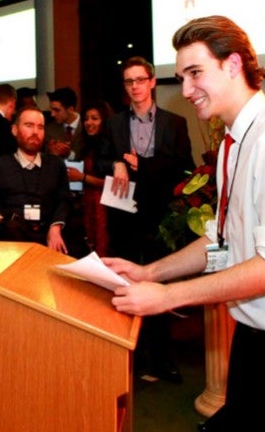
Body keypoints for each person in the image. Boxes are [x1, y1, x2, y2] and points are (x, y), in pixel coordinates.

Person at [104, 16, 265, 432]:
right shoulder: (232, 145)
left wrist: (166, 298)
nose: (185, 89)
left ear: (234, 65)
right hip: (256, 335)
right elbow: (219, 239)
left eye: (195, 73)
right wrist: (150, 272)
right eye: (182, 76)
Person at [98, 55, 193, 384]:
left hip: (160, 217)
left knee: (159, 286)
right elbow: (99, 160)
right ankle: (130, 359)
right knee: (124, 286)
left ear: (152, 82)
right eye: (129, 81)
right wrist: (116, 165)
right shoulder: (113, 124)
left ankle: (163, 358)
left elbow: (184, 168)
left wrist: (142, 167)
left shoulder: (175, 123)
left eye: (141, 80)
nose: (135, 86)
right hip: (123, 216)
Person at [0, 105, 71, 253]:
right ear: (14, 130)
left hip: (48, 238)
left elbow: (64, 200)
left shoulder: (56, 164)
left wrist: (56, 226)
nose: (35, 132)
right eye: (29, 125)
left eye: (40, 127)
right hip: (10, 243)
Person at [66, 100, 113, 256]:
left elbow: (115, 185)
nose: (89, 122)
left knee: (104, 252)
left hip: (107, 208)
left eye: (95, 118)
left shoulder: (112, 147)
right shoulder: (87, 145)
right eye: (86, 118)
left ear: (104, 120)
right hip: (89, 204)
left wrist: (82, 177)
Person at [45, 87, 82, 160]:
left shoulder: (87, 126)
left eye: (56, 110)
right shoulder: (49, 130)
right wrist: (52, 152)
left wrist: (69, 154)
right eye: (51, 109)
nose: (52, 114)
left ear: (70, 109)